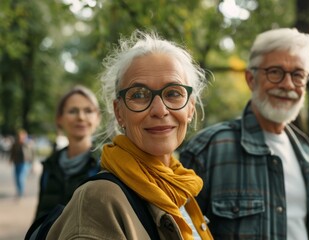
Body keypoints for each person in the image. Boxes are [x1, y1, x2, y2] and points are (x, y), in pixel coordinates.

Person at [46, 30, 213, 240]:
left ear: (190, 108)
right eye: (139, 95)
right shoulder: (98, 201)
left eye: (173, 93)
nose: (160, 110)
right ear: (119, 112)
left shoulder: (180, 187)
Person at [179, 28, 309, 240]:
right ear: (250, 78)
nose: (287, 84)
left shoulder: (306, 155)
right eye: (275, 72)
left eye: (298, 75)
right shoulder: (208, 148)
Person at [34, 85, 101, 219]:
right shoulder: (49, 165)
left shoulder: (105, 165)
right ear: (59, 118)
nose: (81, 117)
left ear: (98, 118)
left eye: (88, 110)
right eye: (73, 111)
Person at [9, 129, 35, 198]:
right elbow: (12, 153)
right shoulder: (15, 144)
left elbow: (32, 154)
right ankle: (19, 191)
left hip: (25, 163)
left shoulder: (28, 144)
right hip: (17, 162)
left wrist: (32, 165)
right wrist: (10, 160)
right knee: (17, 177)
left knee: (21, 177)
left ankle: (21, 192)